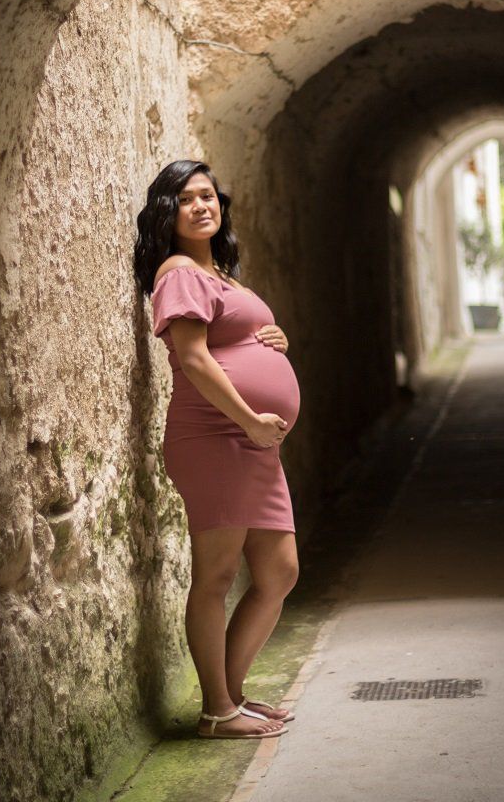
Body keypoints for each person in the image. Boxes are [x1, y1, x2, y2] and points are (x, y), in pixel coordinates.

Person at [134, 159, 301, 740]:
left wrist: (275, 342)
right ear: (168, 213)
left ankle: (230, 697)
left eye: (209, 196)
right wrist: (252, 419)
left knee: (279, 572)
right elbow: (197, 358)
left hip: (252, 443)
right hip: (217, 437)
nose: (202, 206)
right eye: (187, 199)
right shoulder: (179, 271)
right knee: (217, 573)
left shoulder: (220, 273)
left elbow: (235, 336)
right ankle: (217, 712)